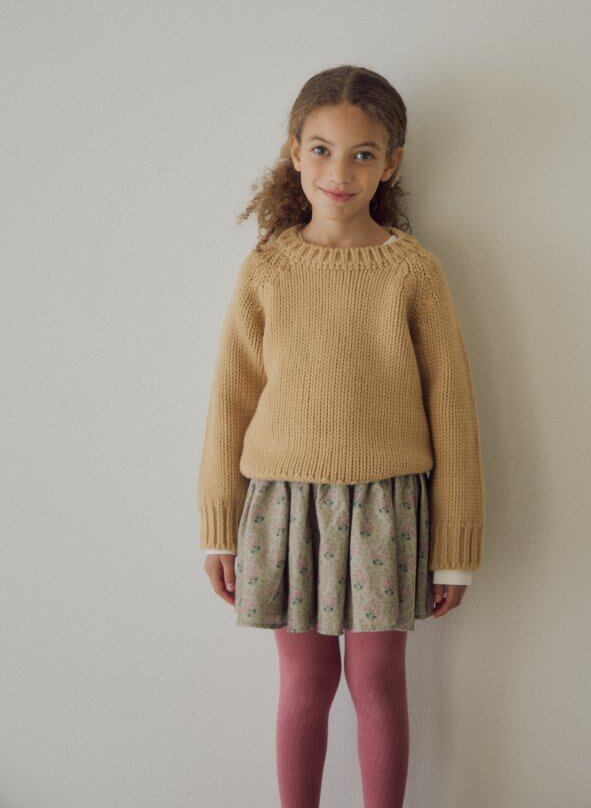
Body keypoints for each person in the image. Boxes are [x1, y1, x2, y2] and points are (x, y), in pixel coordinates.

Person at [196, 64, 485, 808]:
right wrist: (219, 526)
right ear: (294, 151)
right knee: (305, 683)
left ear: (391, 163)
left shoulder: (413, 271)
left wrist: (456, 546)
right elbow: (230, 399)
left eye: (363, 154)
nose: (339, 171)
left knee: (377, 681)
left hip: (385, 506)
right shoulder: (266, 268)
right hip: (283, 505)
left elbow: (452, 407)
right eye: (322, 149)